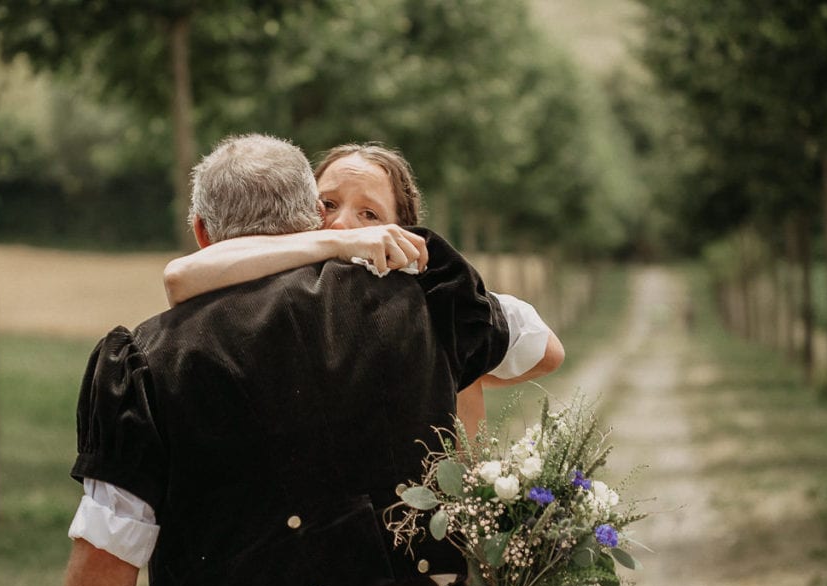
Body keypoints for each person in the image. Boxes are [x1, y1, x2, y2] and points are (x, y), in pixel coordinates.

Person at [59, 134, 555, 586]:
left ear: (202, 232)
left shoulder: (148, 357)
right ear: (309, 219)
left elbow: (110, 543)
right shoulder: (429, 304)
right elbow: (537, 344)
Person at [162, 142, 565, 438]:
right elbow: (181, 277)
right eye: (328, 205)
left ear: (400, 231)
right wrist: (334, 245)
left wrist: (444, 371)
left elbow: (547, 353)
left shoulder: (433, 296)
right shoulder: (278, 279)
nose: (341, 224)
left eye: (368, 214)